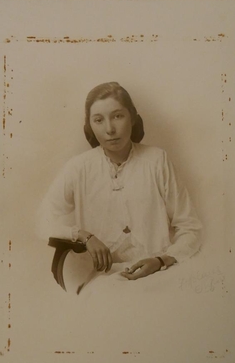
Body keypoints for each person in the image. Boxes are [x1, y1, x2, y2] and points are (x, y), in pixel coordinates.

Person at [38, 82, 202, 281]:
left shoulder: (157, 161)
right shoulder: (78, 168)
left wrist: (161, 260)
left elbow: (190, 228)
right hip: (101, 280)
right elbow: (41, 221)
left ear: (132, 117)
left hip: (158, 276)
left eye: (117, 116)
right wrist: (83, 236)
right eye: (98, 120)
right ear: (89, 125)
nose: (110, 129)